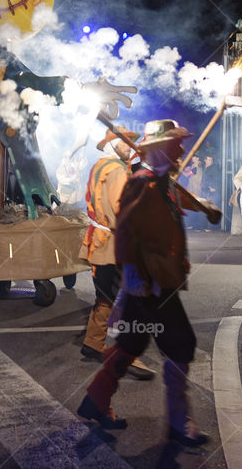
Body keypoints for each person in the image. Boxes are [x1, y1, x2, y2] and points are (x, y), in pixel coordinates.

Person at [77, 119, 221, 447]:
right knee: (182, 345)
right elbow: (126, 231)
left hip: (154, 281)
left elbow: (176, 195)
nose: (181, 149)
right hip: (151, 284)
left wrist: (205, 207)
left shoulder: (160, 179)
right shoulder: (141, 183)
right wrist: (135, 280)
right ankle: (178, 423)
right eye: (174, 144)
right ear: (158, 148)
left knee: (130, 345)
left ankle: (95, 400)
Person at [78, 126, 154, 380]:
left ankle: (93, 343)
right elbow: (123, 208)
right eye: (125, 142)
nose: (130, 145)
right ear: (113, 145)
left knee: (107, 296)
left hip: (101, 242)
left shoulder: (100, 166)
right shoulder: (117, 170)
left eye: (131, 141)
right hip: (114, 242)